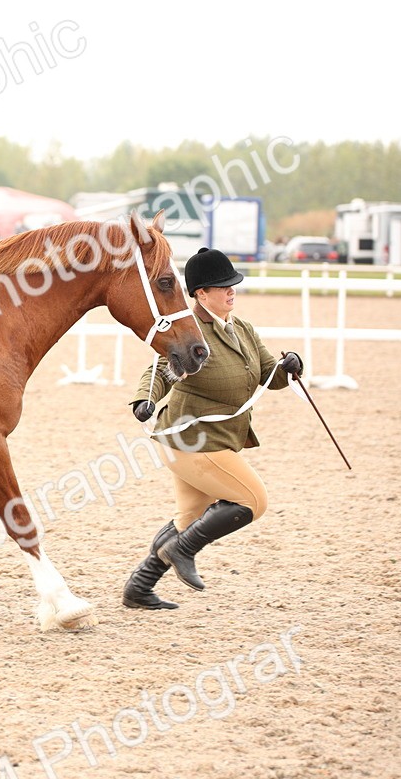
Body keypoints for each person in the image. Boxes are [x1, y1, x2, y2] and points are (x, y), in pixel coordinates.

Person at [122, 247, 303, 610]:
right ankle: (183, 550)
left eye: (233, 284)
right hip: (192, 441)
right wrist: (145, 399)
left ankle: (139, 588)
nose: (232, 291)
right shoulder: (191, 331)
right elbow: (161, 369)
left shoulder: (242, 329)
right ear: (201, 294)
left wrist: (289, 366)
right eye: (223, 287)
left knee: (189, 517)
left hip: (220, 440)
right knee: (253, 500)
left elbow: (269, 375)